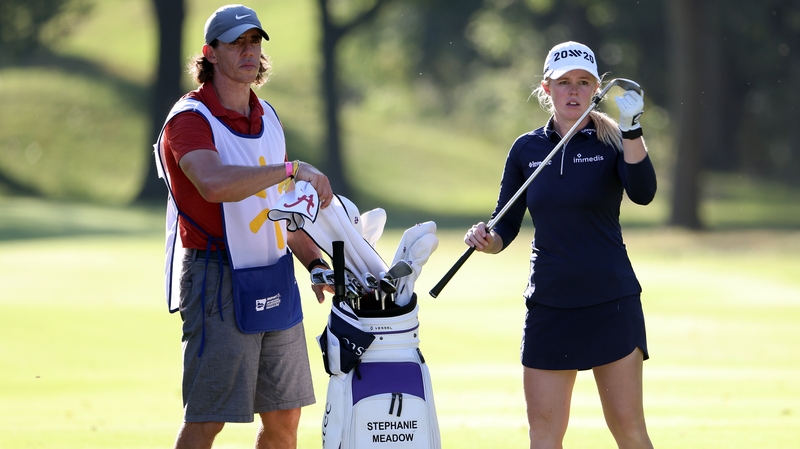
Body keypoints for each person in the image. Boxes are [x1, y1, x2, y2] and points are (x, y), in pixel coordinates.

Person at [153, 5, 334, 449]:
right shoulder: (189, 120)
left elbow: (279, 211)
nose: (249, 51)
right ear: (210, 54)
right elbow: (214, 184)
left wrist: (315, 263)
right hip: (215, 278)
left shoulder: (267, 115)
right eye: (236, 43)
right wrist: (292, 168)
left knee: (284, 419)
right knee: (208, 419)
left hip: (274, 274)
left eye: (254, 42)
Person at [464, 41, 657, 449]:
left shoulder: (614, 140)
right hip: (550, 302)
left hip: (611, 299)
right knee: (544, 436)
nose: (573, 91)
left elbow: (643, 193)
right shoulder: (526, 149)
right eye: (564, 82)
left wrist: (633, 129)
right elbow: (506, 225)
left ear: (596, 90)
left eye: (583, 83)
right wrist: (487, 239)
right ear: (546, 89)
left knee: (629, 430)